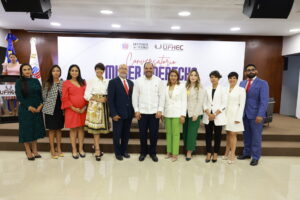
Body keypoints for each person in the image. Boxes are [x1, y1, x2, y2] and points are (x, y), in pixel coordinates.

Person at [132, 62, 164, 162]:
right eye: (146, 68)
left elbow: (162, 96)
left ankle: (153, 153)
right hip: (142, 113)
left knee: (154, 135)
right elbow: (135, 96)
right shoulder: (138, 81)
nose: (148, 70)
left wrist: (160, 110)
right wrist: (136, 110)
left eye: (150, 68)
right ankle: (143, 152)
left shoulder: (158, 80)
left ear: (153, 69)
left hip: (155, 113)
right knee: (142, 135)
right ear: (144, 69)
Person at [238, 64, 269, 166]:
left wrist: (260, 114)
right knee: (246, 136)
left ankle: (255, 157)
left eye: (252, 70)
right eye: (248, 70)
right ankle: (246, 153)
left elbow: (264, 101)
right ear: (245, 73)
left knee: (256, 137)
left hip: (256, 115)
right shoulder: (242, 83)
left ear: (256, 71)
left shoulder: (263, 83)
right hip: (244, 115)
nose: (250, 71)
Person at [15, 64, 45, 160]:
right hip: (26, 110)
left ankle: (35, 151)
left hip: (37, 109)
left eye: (29, 69)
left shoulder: (36, 80)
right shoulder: (19, 82)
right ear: (21, 71)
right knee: (26, 130)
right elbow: (19, 97)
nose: (27, 71)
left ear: (32, 71)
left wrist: (41, 105)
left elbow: (41, 94)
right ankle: (28, 151)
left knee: (35, 130)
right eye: (25, 69)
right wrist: (29, 107)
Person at [107, 64, 134, 161]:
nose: (123, 70)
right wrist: (113, 114)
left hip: (129, 114)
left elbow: (131, 99)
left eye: (125, 69)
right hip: (117, 114)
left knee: (126, 134)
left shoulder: (131, 83)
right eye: (122, 68)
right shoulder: (113, 82)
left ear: (127, 71)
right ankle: (117, 153)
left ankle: (124, 151)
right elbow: (110, 99)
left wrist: (133, 112)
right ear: (118, 70)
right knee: (117, 135)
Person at [84, 63, 109, 161]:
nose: (99, 71)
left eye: (101, 69)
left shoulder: (106, 81)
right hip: (94, 106)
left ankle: (95, 145)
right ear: (95, 70)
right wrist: (98, 99)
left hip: (104, 106)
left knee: (100, 129)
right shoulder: (91, 80)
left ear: (103, 71)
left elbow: (107, 93)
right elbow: (86, 95)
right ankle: (97, 150)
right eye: (97, 69)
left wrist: (106, 98)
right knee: (96, 130)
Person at [61, 64, 87, 159]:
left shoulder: (83, 82)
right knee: (73, 130)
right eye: (72, 70)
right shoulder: (66, 83)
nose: (74, 72)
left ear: (79, 72)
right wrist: (74, 108)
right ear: (69, 72)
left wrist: (84, 107)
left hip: (83, 110)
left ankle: (80, 149)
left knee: (81, 129)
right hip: (71, 110)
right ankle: (74, 150)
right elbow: (64, 98)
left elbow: (87, 95)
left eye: (76, 70)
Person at [203, 70, 227, 163]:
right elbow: (204, 103)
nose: (213, 79)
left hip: (218, 116)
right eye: (211, 77)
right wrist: (209, 114)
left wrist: (215, 114)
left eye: (215, 77)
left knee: (218, 136)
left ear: (219, 78)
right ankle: (208, 152)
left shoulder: (223, 89)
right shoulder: (207, 89)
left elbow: (224, 104)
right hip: (208, 116)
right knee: (208, 136)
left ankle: (216, 153)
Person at [163, 69, 187, 162]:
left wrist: (183, 115)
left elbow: (184, 101)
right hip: (168, 113)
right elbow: (164, 101)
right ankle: (169, 151)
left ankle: (175, 153)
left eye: (175, 76)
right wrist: (163, 114)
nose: (173, 77)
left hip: (177, 114)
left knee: (176, 134)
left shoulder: (181, 87)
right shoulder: (166, 87)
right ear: (169, 77)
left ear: (177, 77)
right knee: (168, 133)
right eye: (171, 75)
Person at [42, 65, 64, 159]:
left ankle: (58, 148)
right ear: (51, 72)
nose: (56, 72)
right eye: (54, 71)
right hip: (50, 109)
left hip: (60, 109)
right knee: (51, 130)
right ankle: (52, 149)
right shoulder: (47, 83)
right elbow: (43, 97)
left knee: (59, 129)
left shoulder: (63, 83)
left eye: (58, 71)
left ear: (60, 72)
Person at [223, 72, 246, 164]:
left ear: (237, 79)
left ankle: (233, 154)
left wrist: (238, 118)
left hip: (235, 114)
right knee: (228, 133)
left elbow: (242, 105)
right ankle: (226, 153)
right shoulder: (225, 89)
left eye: (234, 78)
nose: (232, 80)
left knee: (233, 134)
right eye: (230, 78)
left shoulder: (241, 90)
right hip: (226, 115)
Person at [183, 69, 205, 161]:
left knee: (192, 133)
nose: (193, 77)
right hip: (185, 113)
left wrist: (196, 114)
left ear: (197, 77)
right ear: (189, 76)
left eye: (195, 75)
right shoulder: (186, 86)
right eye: (191, 75)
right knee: (185, 132)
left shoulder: (200, 87)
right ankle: (186, 148)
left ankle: (189, 151)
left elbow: (200, 102)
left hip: (195, 113)